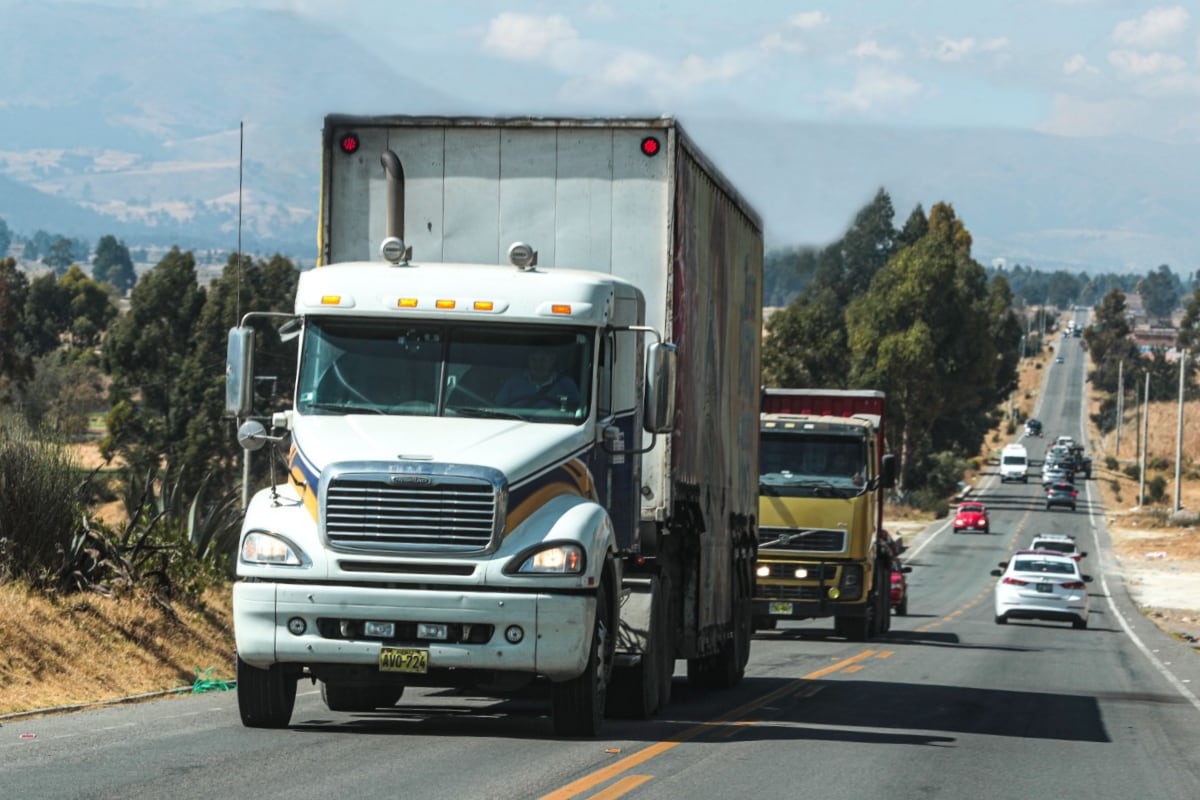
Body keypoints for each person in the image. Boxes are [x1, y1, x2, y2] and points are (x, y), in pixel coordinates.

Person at [496, 349, 581, 410]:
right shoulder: (513, 383)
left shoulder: (566, 384)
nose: (538, 365)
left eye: (543, 360)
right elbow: (498, 408)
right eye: (534, 360)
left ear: (552, 360)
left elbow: (576, 408)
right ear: (528, 361)